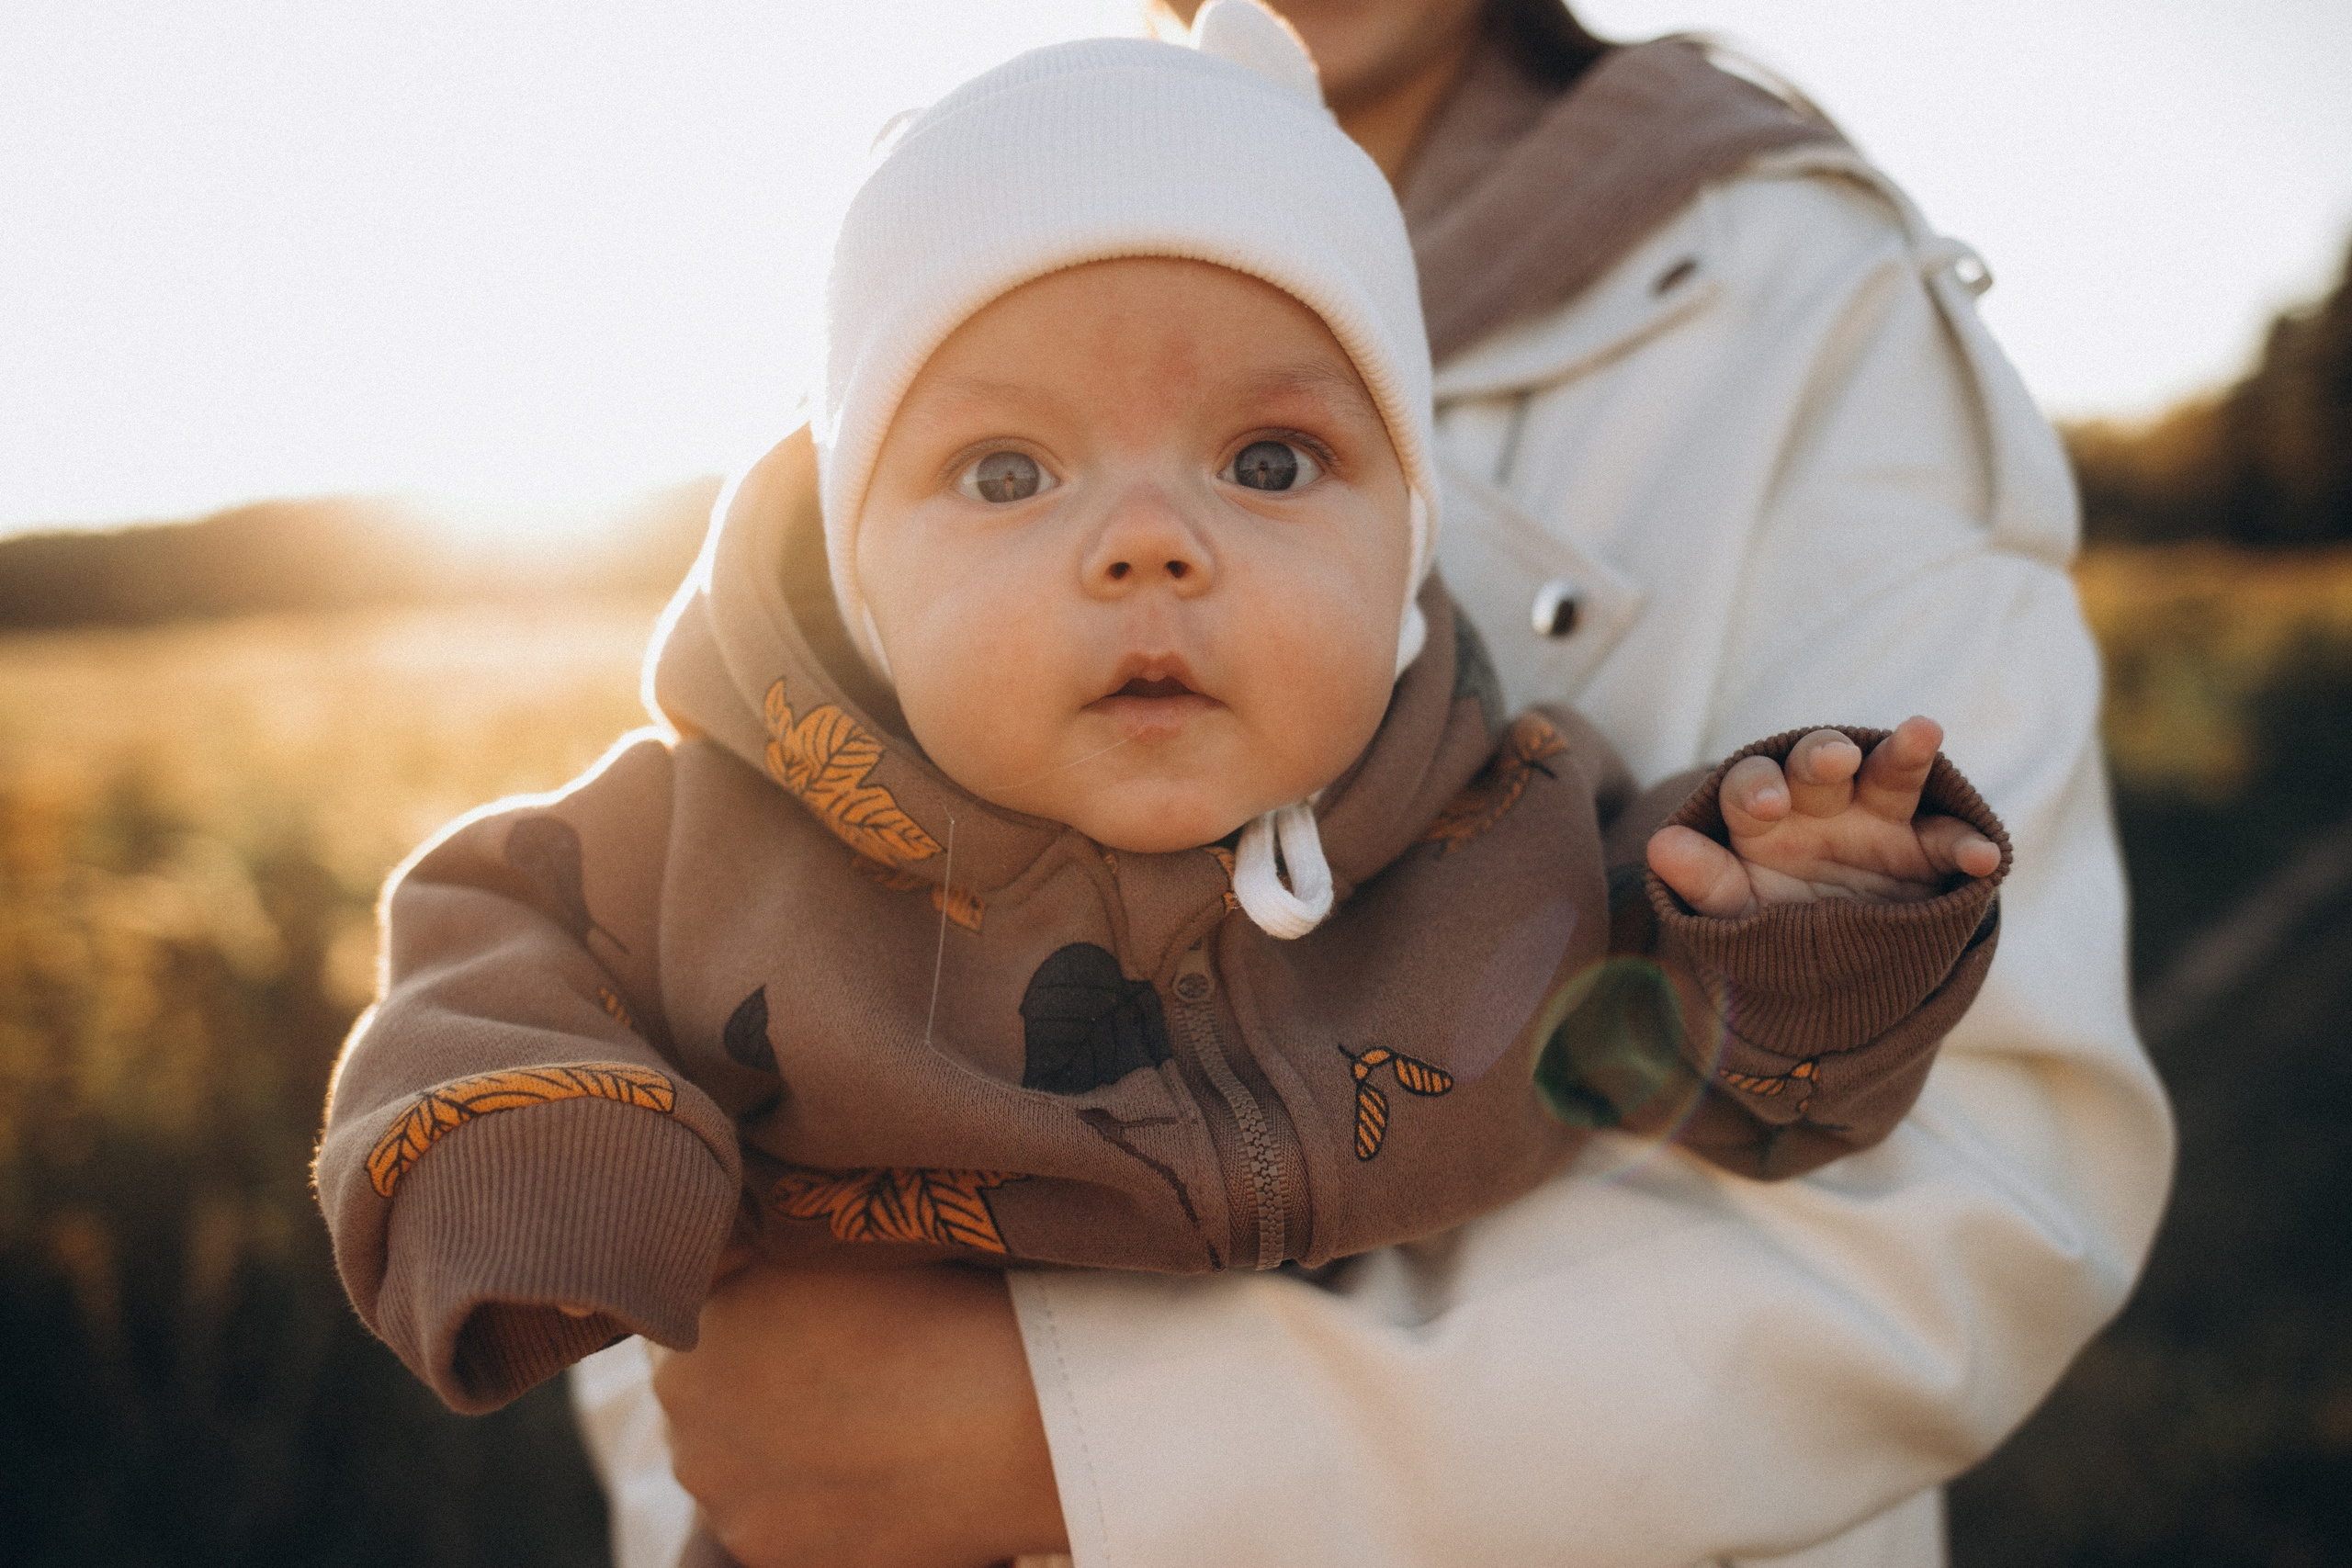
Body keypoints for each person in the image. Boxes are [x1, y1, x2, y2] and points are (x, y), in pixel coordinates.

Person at [615, 3, 2177, 1567]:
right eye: (1013, 473)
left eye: (1277, 462)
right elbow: (655, 1013)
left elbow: (1970, 1190)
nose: (1145, 541)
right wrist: (714, 1429)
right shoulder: (983, 214)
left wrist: (1079, 1446)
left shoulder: (1799, 299)